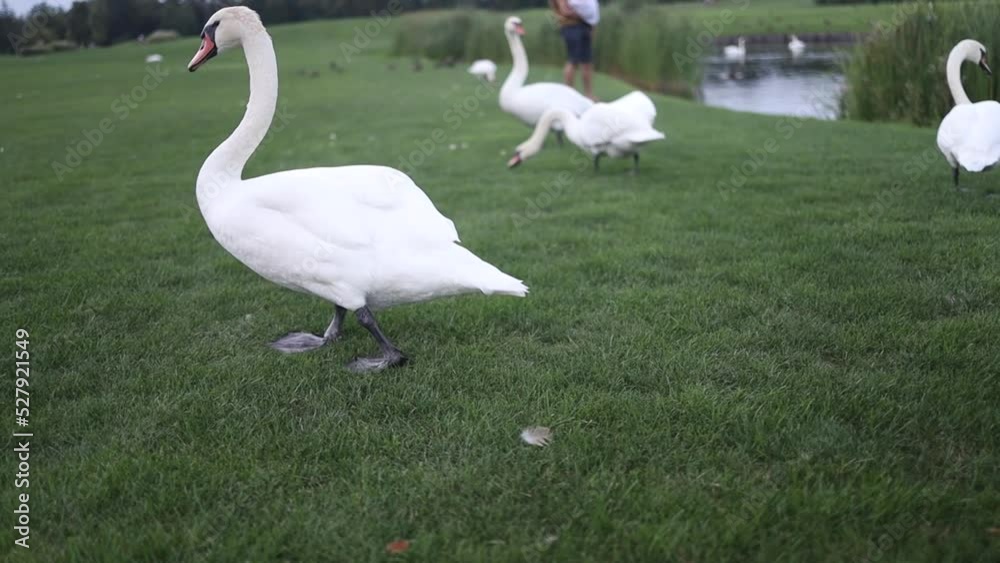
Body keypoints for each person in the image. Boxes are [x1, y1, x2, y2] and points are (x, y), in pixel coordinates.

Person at [550, 0, 599, 100]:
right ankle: (569, 95)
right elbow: (565, 11)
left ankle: (588, 94)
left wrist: (591, 23)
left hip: (585, 26)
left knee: (587, 62)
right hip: (571, 26)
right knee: (573, 60)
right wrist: (585, 16)